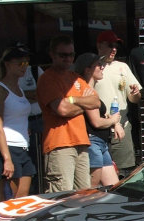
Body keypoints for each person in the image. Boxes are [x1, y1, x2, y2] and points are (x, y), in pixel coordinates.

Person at [36, 35, 99, 192]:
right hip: (59, 144)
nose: (68, 59)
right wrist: (82, 102)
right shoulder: (47, 78)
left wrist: (71, 99)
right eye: (63, 55)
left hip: (81, 142)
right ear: (52, 54)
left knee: (84, 195)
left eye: (71, 55)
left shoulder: (75, 77)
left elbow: (96, 102)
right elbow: (61, 109)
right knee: (62, 198)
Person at [0, 45, 36, 199]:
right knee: (12, 199)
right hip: (8, 146)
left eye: (26, 63)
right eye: (20, 63)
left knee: (23, 197)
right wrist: (7, 158)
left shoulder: (19, 89)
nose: (24, 67)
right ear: (7, 64)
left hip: (23, 145)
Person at [94, 30, 142, 177]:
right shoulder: (93, 67)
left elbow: (135, 98)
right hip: (98, 125)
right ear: (99, 46)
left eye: (116, 46)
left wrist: (135, 94)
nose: (114, 49)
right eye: (110, 45)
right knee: (98, 171)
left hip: (122, 124)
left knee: (123, 172)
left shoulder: (123, 67)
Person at [74, 53, 125, 188]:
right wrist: (114, 120)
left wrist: (114, 122)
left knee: (114, 187)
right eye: (99, 65)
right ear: (87, 69)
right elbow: (96, 121)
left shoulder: (91, 91)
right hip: (93, 142)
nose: (102, 68)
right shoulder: (86, 91)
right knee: (91, 188)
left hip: (101, 143)